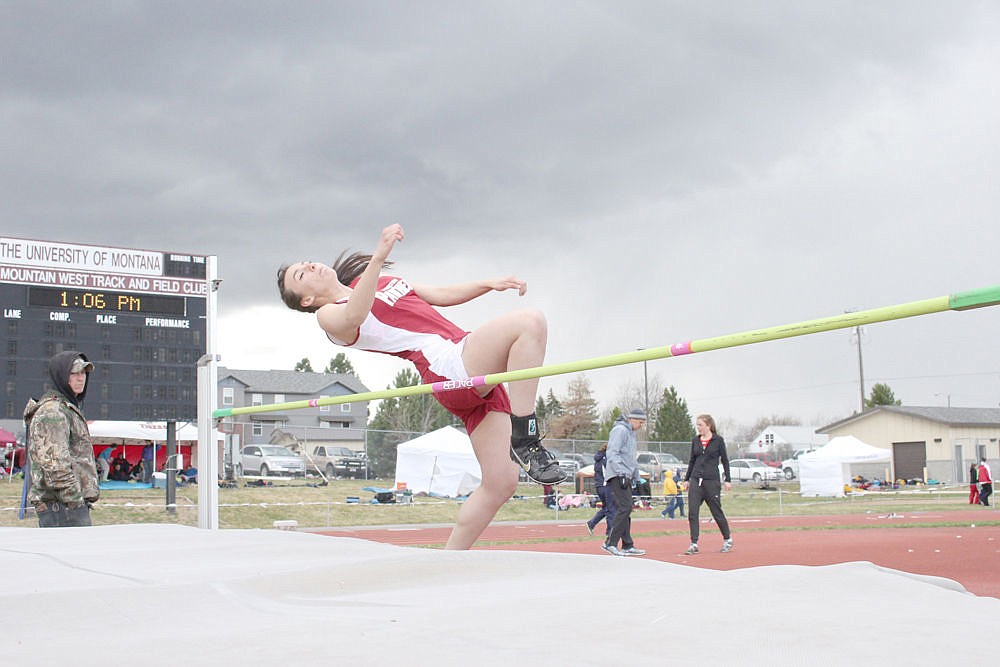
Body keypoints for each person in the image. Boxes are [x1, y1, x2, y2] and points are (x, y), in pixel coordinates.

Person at [277, 223, 565, 549]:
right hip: (448, 369)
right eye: (302, 275)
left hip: (469, 363)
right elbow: (356, 314)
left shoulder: (384, 281)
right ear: (307, 300)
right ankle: (526, 437)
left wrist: (488, 284)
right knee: (531, 322)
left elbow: (438, 295)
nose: (310, 266)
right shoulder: (329, 316)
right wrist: (379, 256)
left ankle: (449, 560)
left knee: (500, 485)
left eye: (306, 262)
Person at [22, 351, 100, 527]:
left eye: (83, 373)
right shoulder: (53, 411)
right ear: (61, 375)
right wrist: (75, 501)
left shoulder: (65, 408)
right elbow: (55, 465)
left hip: (65, 507)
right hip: (62, 509)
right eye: (74, 373)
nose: (81, 378)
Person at [683, 414, 733, 554]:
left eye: (700, 425)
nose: (698, 428)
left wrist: (727, 480)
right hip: (696, 480)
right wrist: (687, 479)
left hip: (711, 481)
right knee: (693, 512)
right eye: (697, 425)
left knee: (716, 511)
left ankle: (727, 538)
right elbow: (692, 461)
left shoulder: (718, 441)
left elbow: (725, 460)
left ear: (708, 425)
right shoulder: (695, 441)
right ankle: (694, 543)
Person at [601, 408, 647, 557]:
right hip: (617, 474)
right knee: (625, 508)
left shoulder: (631, 434)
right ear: (631, 419)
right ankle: (610, 542)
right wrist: (620, 472)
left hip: (626, 475)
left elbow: (631, 458)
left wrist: (636, 477)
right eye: (640, 422)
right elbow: (612, 452)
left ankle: (627, 544)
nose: (641, 425)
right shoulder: (620, 430)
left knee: (626, 508)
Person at [586, 443, 615, 536]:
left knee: (606, 508)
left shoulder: (598, 459)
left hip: (599, 486)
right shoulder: (606, 460)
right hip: (606, 486)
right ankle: (609, 531)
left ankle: (591, 523)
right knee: (611, 509)